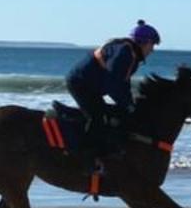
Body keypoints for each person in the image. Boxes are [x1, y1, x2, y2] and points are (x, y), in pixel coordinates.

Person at [65, 22, 161, 153]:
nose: (152, 50)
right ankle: (86, 157)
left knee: (116, 113)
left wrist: (130, 104)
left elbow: (123, 83)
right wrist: (128, 106)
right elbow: (112, 85)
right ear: (144, 42)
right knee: (97, 118)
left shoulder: (131, 53)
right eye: (152, 45)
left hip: (90, 86)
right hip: (80, 83)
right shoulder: (124, 53)